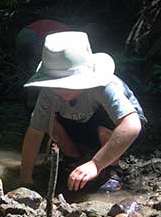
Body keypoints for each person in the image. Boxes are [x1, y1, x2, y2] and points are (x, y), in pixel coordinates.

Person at [20, 31, 146, 192]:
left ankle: (112, 168)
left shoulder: (103, 85)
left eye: (68, 83)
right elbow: (35, 132)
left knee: (104, 125)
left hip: (119, 129)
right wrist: (25, 178)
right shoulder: (49, 93)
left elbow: (132, 125)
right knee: (48, 121)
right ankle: (73, 158)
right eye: (56, 83)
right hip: (79, 122)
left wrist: (95, 164)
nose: (61, 88)